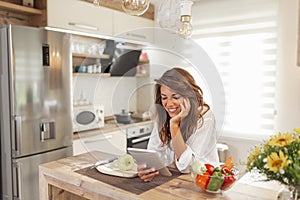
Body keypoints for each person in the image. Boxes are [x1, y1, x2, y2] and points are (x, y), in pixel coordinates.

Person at [137, 67, 219, 182]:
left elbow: (188, 166)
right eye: (164, 98)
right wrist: (149, 168)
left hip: (204, 182)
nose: (169, 104)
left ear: (189, 96)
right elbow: (154, 152)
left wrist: (174, 125)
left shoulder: (204, 116)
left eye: (175, 97)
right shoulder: (163, 114)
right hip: (173, 181)